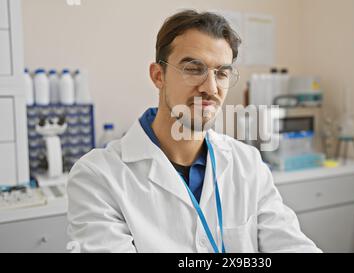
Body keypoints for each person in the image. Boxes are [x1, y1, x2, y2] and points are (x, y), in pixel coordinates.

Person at [67, 10, 321, 253]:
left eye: (221, 73)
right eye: (193, 69)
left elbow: (292, 245)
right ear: (158, 76)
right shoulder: (97, 177)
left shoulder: (248, 164)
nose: (210, 88)